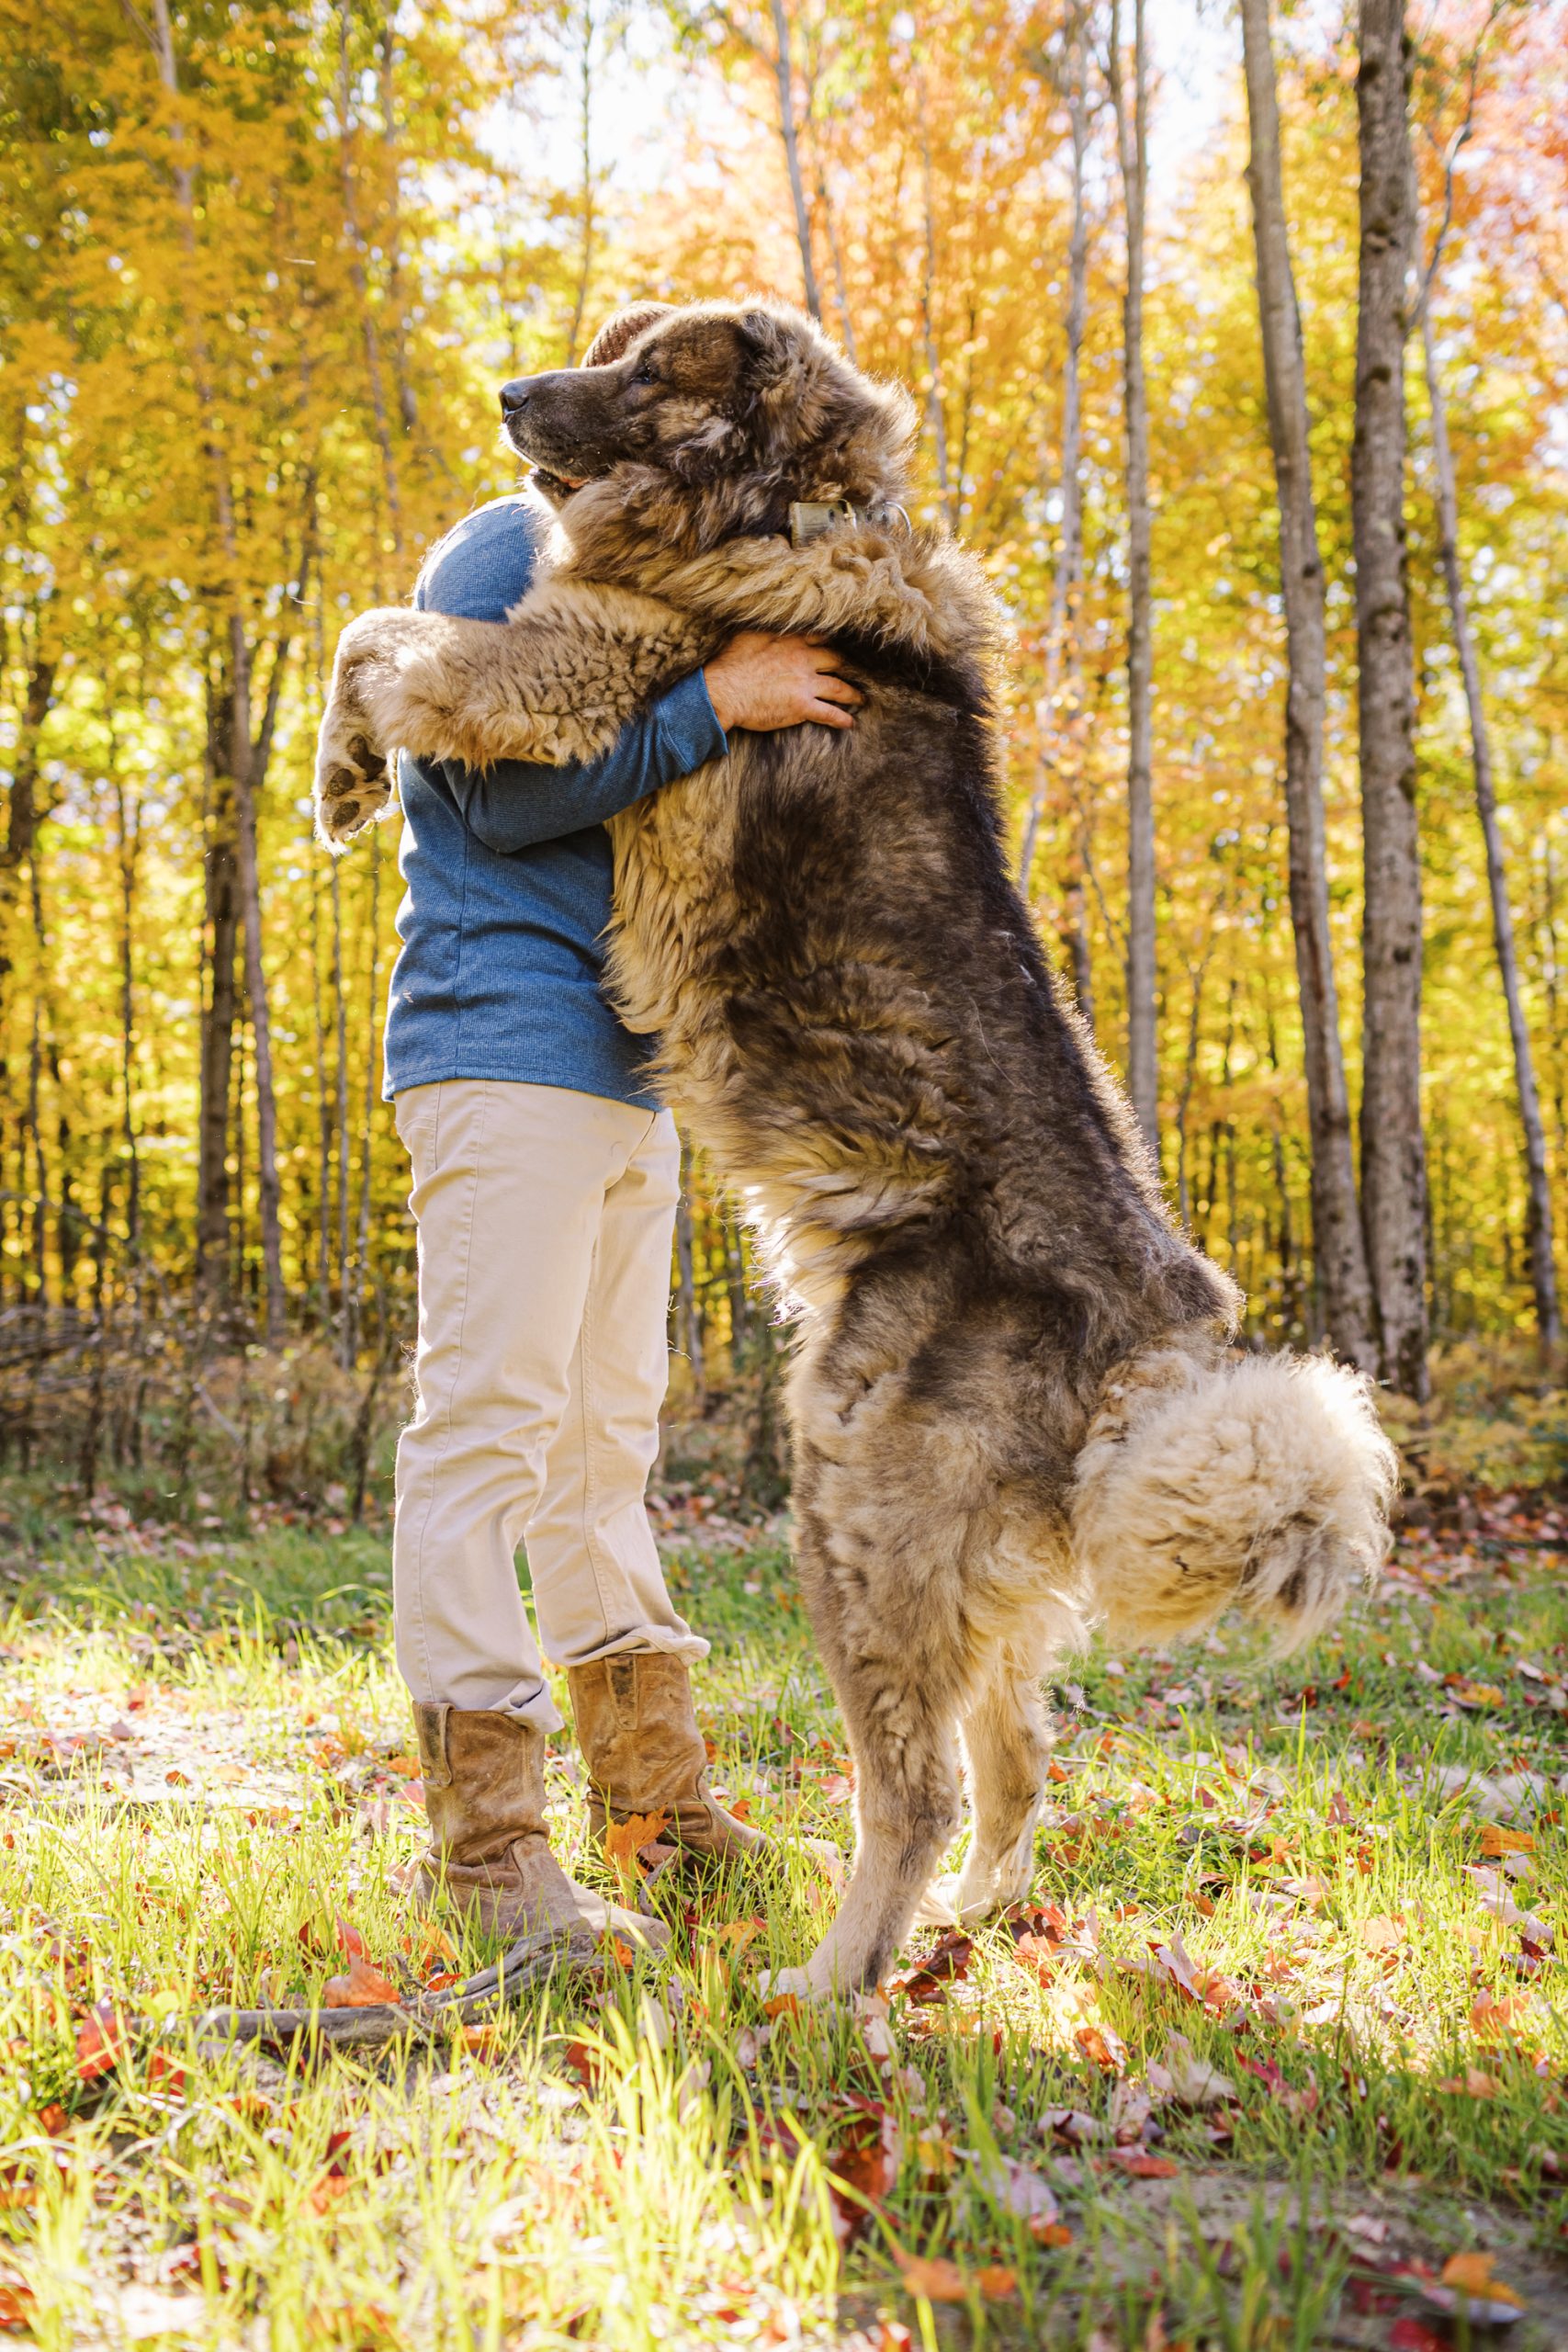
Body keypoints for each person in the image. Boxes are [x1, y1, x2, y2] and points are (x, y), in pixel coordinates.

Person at [385, 302, 859, 1947]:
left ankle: (653, 1803)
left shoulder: (656, 588)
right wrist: (712, 704)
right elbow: (497, 797)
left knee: (603, 1445)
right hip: (498, 1051)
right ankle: (487, 1852)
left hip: (631, 1069)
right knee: (488, 1428)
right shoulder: (494, 557)